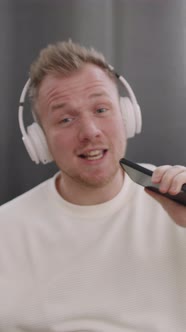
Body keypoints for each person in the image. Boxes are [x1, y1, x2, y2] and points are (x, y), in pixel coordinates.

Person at [0, 40, 186, 332]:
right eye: (65, 118)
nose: (89, 131)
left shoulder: (177, 201)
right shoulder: (6, 230)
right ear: (40, 141)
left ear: (127, 116)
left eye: (101, 109)